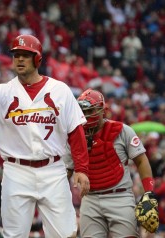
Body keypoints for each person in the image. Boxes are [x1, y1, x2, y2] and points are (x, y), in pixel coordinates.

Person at [0, 34, 90, 237]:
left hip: (53, 170)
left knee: (66, 234)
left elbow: (75, 131)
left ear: (38, 59)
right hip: (16, 171)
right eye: (16, 55)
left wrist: (81, 168)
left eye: (26, 55)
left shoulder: (60, 90)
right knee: (14, 235)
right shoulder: (2, 91)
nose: (20, 59)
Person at [64, 88, 156, 237]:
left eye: (90, 110)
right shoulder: (74, 135)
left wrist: (149, 193)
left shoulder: (122, 131)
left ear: (102, 109)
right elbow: (66, 171)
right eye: (83, 111)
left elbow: (141, 160)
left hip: (120, 196)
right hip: (90, 198)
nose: (86, 116)